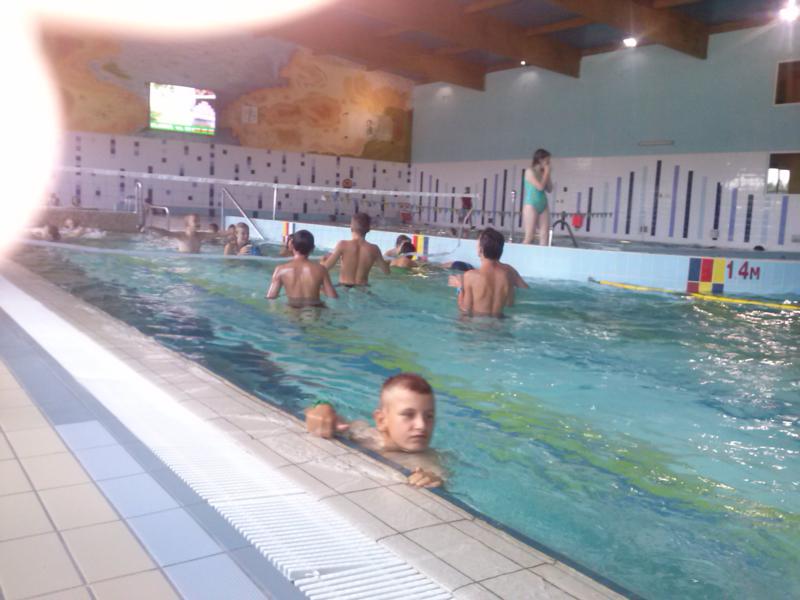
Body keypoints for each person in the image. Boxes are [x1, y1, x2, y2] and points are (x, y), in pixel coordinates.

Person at [305, 373, 443, 488]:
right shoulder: (362, 433)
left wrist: (430, 478)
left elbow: (436, 476)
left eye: (429, 416)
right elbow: (327, 418)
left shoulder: (427, 460)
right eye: (409, 415)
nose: (421, 425)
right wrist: (322, 409)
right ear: (381, 420)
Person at [449, 228, 528, 317]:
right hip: (500, 322)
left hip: (478, 323)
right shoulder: (508, 274)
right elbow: (510, 304)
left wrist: (460, 287)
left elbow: (465, 309)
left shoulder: (471, 276)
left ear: (480, 250)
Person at [266, 230, 338, 308]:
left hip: (292, 309)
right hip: (314, 309)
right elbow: (333, 296)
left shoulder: (280, 270)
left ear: (292, 246)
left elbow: (271, 297)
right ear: (313, 248)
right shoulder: (321, 270)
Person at [321, 213, 389, 286]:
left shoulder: (342, 245)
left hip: (344, 287)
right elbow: (386, 272)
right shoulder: (374, 249)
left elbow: (325, 268)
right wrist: (387, 263)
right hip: (363, 288)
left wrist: (322, 261)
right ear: (368, 229)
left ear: (351, 228)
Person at [146, 213, 219, 253]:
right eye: (195, 221)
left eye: (199, 221)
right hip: (183, 263)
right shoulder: (181, 235)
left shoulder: (200, 236)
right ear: (187, 225)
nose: (198, 223)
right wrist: (152, 228)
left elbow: (218, 234)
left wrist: (226, 232)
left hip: (197, 263)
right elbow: (166, 233)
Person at [522, 148, 552, 246]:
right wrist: (546, 173)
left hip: (543, 204)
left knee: (545, 235)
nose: (548, 163)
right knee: (529, 236)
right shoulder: (529, 171)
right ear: (540, 160)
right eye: (547, 161)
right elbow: (540, 187)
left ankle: (542, 255)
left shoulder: (543, 173)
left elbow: (550, 189)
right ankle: (520, 254)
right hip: (531, 204)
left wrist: (547, 175)